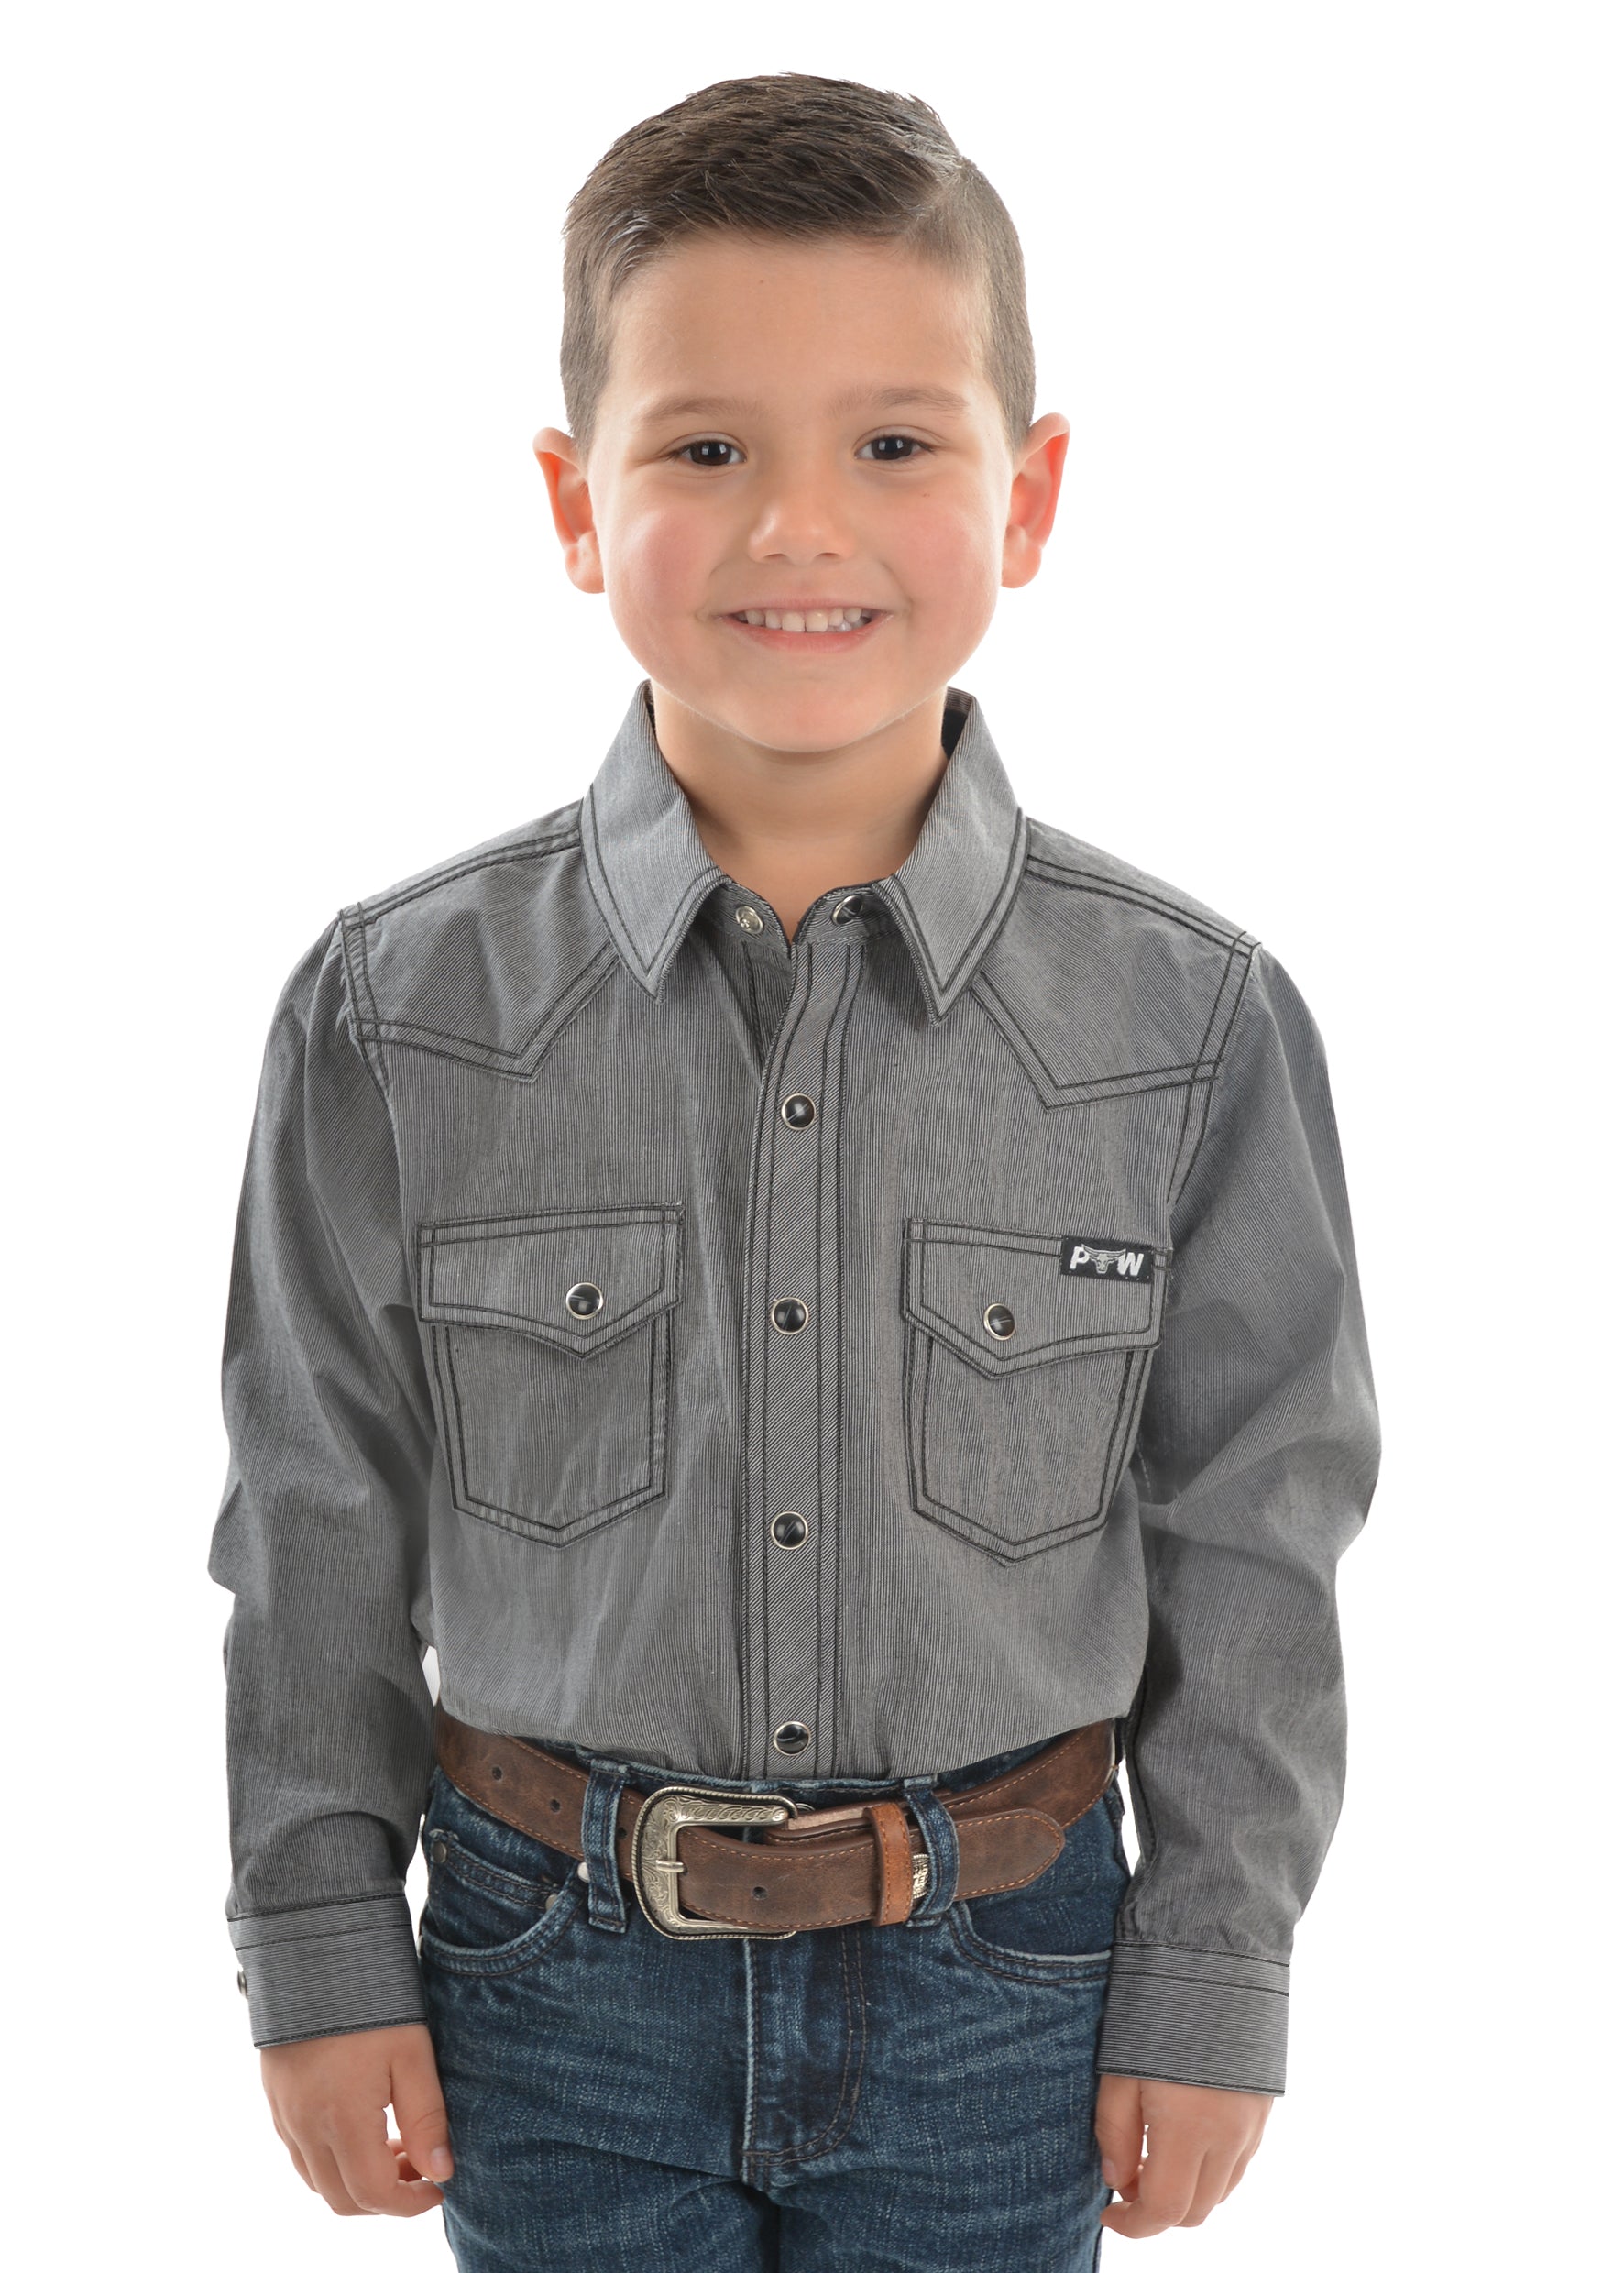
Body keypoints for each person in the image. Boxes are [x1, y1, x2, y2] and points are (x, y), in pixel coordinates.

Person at [209, 72, 1379, 2271]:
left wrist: (1217, 1971)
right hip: (545, 1990)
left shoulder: (1192, 1022)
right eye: (707, 450)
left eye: (896, 443)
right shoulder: (392, 1012)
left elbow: (1257, 1524)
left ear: (1030, 496)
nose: (799, 528)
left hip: (1009, 1989)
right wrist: (317, 1940)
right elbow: (313, 1507)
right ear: (576, 503)